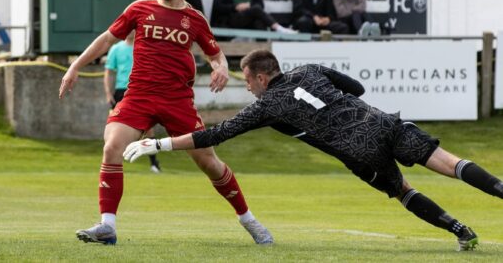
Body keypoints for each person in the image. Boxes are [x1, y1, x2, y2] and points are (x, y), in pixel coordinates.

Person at [125, 49, 503, 251]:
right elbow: (356, 87)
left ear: (260, 77)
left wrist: (158, 142)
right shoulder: (309, 69)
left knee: (402, 190)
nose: (250, 89)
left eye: (249, 82)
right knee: (449, 163)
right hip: (381, 122)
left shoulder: (266, 106)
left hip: (357, 152)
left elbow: (215, 135)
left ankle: (461, 231)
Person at [59, 0, 273, 246]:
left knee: (209, 163)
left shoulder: (194, 19)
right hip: (139, 96)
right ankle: (107, 226)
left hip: (177, 101)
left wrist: (221, 69)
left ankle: (249, 220)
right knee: (112, 147)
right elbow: (107, 39)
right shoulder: (139, 9)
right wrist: (75, 66)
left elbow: (216, 55)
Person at [104, 30, 162, 173]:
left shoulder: (145, 47)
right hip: (121, 91)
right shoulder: (116, 49)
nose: (130, 31)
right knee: (113, 127)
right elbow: (109, 71)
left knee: (148, 129)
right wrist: (108, 92)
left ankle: (154, 164)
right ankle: (113, 161)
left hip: (141, 90)